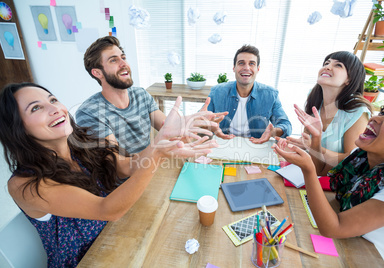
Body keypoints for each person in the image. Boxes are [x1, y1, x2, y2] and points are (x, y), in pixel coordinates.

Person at [0, 82, 217, 267]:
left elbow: (125, 166)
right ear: (17, 128)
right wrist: (158, 151)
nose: (55, 109)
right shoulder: (24, 184)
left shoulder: (82, 142)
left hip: (119, 236)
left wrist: (164, 142)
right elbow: (106, 210)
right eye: (36, 108)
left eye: (53, 100)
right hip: (91, 259)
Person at [273, 90, 384, 268]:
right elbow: (323, 169)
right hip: (349, 244)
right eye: (383, 112)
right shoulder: (361, 155)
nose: (375, 119)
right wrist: (317, 138)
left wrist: (308, 170)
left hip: (374, 259)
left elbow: (334, 227)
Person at [76, 36, 226, 154]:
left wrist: (198, 125)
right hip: (124, 184)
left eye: (123, 57)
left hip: (152, 167)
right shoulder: (90, 112)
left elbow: (172, 134)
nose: (124, 64)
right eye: (113, 60)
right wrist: (158, 148)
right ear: (97, 72)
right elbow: (119, 166)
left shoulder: (141, 95)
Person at [287, 51, 372, 170]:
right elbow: (309, 149)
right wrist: (292, 146)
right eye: (326, 63)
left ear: (349, 79)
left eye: (338, 65)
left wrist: (313, 146)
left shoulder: (357, 111)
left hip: (338, 183)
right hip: (312, 174)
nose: (327, 67)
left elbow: (352, 160)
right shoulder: (315, 99)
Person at [206, 44, 292, 143]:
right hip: (223, 143)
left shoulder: (271, 95)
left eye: (252, 63)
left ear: (258, 69)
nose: (246, 68)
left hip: (256, 144)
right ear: (234, 68)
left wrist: (273, 132)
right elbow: (202, 121)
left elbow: (286, 125)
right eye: (241, 63)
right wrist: (204, 122)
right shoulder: (217, 92)